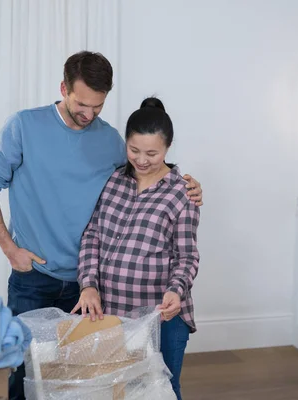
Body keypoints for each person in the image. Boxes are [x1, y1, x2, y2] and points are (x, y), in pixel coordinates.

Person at [0, 52, 203, 400]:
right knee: (24, 374)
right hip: (35, 279)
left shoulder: (111, 141)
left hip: (91, 289)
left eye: (98, 105)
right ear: (64, 87)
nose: (89, 114)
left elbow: (146, 174)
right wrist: (9, 247)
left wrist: (189, 186)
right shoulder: (23, 126)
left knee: (81, 383)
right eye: (82, 103)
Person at [72, 97, 200, 400]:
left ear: (167, 148)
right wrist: (88, 284)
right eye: (134, 150)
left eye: (152, 153)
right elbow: (92, 236)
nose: (142, 160)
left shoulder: (182, 193)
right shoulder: (114, 180)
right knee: (116, 389)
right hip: (113, 313)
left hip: (161, 317)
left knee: (161, 389)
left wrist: (176, 290)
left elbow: (187, 255)